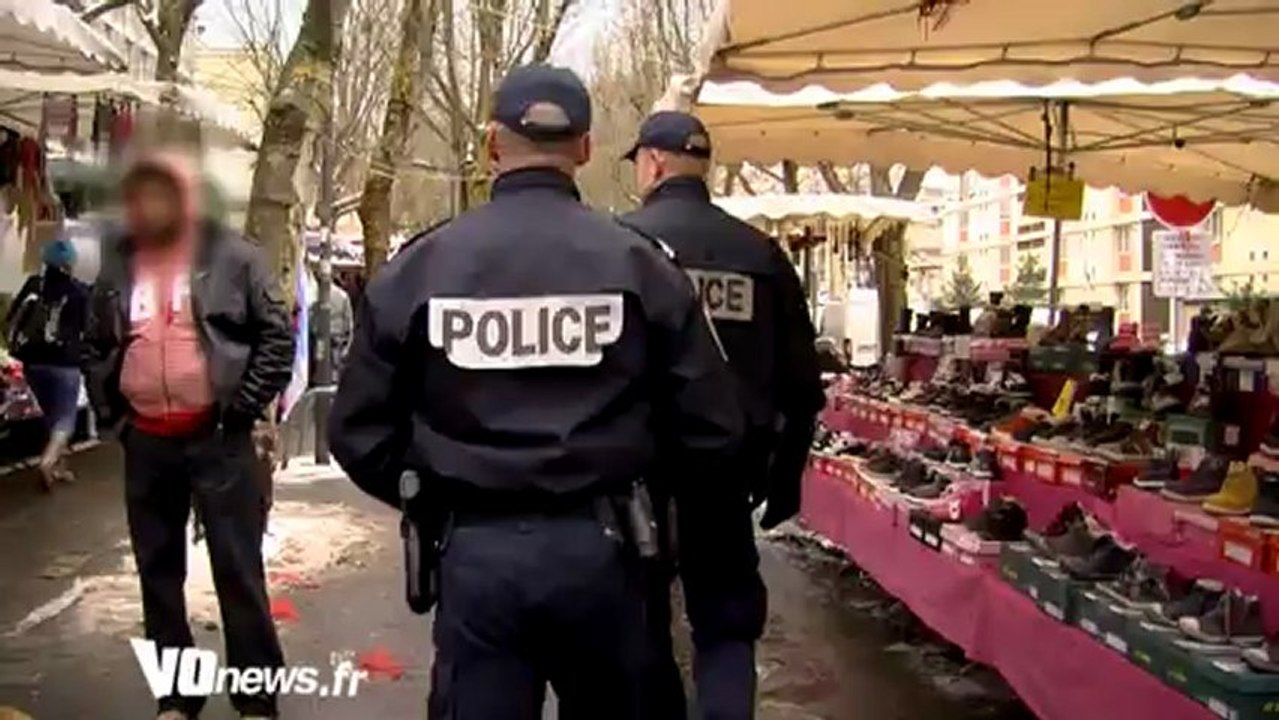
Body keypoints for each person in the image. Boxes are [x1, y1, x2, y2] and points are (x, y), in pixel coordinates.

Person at [329, 65, 745, 720]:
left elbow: (356, 429)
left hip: (476, 555)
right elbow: (712, 426)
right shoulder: (639, 264)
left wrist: (431, 490)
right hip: (610, 550)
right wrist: (648, 491)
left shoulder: (422, 266)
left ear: (492, 144)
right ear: (583, 148)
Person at [621, 111, 825, 720]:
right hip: (726, 475)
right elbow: (801, 383)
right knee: (727, 626)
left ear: (653, 162)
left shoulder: (621, 246)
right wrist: (785, 478)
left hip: (638, 478)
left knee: (638, 623)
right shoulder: (759, 254)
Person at [82, 151, 294, 720]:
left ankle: (255, 699)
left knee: (238, 571)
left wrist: (243, 409)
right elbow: (94, 342)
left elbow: (276, 336)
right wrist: (116, 419)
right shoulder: (120, 265)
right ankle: (177, 697)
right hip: (147, 443)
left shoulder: (236, 258)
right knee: (158, 575)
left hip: (219, 439)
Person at [6, 237, 90, 490]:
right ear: (70, 264)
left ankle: (60, 468)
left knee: (51, 418)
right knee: (64, 419)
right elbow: (87, 328)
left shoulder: (34, 285)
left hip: (33, 363)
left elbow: (12, 316)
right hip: (65, 364)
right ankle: (48, 461)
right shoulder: (79, 291)